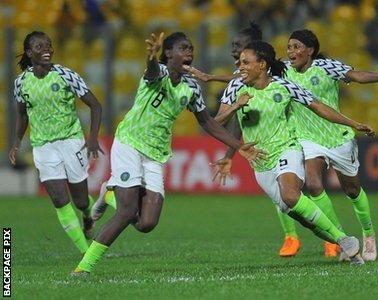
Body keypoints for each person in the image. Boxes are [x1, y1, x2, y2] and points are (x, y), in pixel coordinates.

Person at [72, 32, 261, 275]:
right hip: (130, 142)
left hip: (156, 152)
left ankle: (110, 193)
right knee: (127, 212)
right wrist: (151, 56)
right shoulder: (158, 73)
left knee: (147, 223)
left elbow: (208, 123)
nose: (189, 53)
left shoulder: (192, 87)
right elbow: (151, 70)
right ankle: (83, 267)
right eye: (183, 48)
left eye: (191, 49)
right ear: (168, 54)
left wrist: (238, 145)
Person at [192, 41, 376, 265]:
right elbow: (212, 124)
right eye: (239, 62)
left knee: (290, 194)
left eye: (246, 62)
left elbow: (319, 107)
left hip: (287, 149)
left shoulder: (284, 86)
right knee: (306, 219)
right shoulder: (235, 88)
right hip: (261, 164)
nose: (240, 67)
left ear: (262, 65)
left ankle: (346, 241)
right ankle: (344, 242)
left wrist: (352, 123)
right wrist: (234, 108)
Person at [283, 29, 378, 261]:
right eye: (289, 47)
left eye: (296, 47)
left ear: (310, 50)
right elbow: (255, 74)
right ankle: (342, 239)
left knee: (352, 190)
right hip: (308, 139)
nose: (291, 51)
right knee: (313, 186)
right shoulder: (283, 70)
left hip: (337, 137)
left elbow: (358, 76)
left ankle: (368, 233)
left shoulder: (326, 67)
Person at [187, 22, 304, 258]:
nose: (233, 51)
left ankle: (332, 235)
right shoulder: (241, 79)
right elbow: (243, 120)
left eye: (238, 47)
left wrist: (210, 78)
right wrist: (231, 153)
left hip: (294, 135)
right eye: (232, 46)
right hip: (264, 141)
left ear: (255, 54)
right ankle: (293, 236)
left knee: (308, 187)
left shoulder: (276, 75)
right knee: (286, 192)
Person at [10, 31, 103, 254]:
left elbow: (96, 105)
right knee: (60, 200)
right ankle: (85, 253)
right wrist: (16, 143)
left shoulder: (65, 75)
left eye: (49, 45)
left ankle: (88, 216)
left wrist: (92, 137)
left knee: (80, 200)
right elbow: (22, 115)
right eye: (40, 47)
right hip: (43, 147)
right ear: (30, 52)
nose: (47, 50)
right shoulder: (21, 83)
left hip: (71, 141)